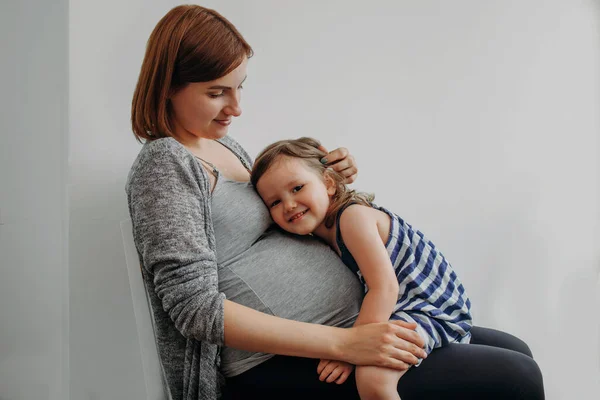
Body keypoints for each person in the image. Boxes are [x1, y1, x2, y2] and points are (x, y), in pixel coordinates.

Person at [126, 4, 545, 399]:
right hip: (281, 362)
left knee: (516, 349)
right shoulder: (164, 165)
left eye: (240, 88)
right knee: (516, 378)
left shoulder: (226, 146)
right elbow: (193, 308)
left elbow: (281, 220)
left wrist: (329, 186)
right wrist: (346, 343)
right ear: (168, 88)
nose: (236, 107)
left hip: (355, 324)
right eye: (218, 93)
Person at [251, 137, 473, 399]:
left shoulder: (352, 218)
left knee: (372, 378)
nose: (288, 204)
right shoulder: (324, 233)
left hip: (432, 309)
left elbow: (385, 288)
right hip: (407, 307)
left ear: (329, 183)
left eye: (297, 188)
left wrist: (351, 349)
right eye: (274, 202)